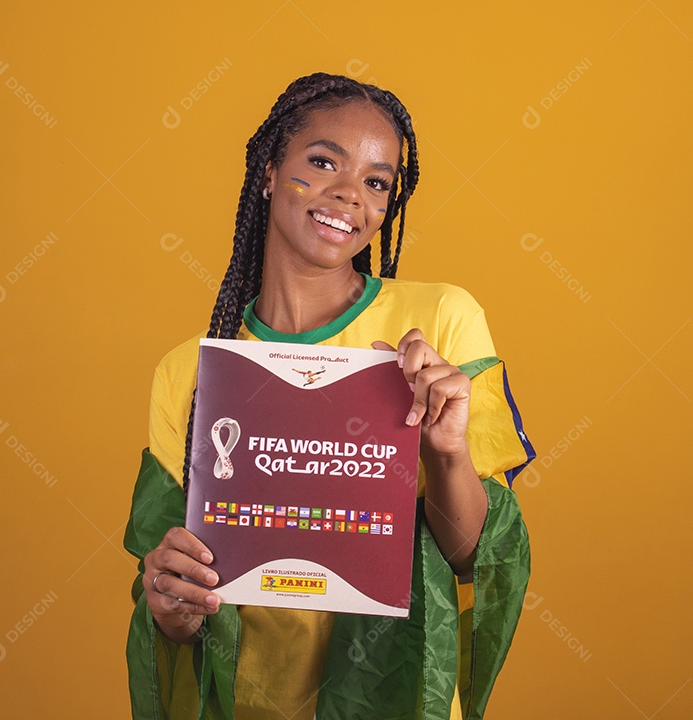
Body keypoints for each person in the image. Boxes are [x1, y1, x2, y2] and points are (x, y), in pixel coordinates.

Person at [125, 72, 535, 720]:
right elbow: (172, 597)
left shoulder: (436, 324)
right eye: (322, 162)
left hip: (399, 702)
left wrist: (447, 452)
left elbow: (472, 561)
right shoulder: (191, 372)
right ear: (267, 170)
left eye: (376, 181)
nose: (350, 195)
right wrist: (171, 604)